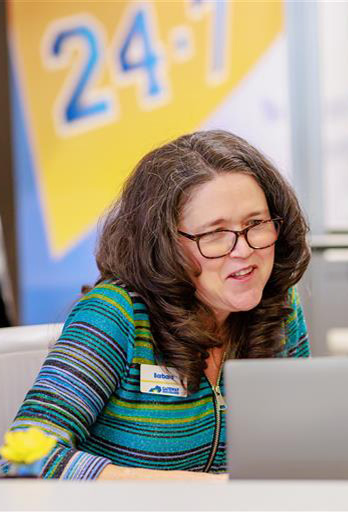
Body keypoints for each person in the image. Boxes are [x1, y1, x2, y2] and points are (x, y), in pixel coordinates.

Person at [1, 130, 311, 480]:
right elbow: (24, 458)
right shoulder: (115, 315)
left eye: (255, 224)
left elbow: (296, 444)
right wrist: (203, 490)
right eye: (214, 233)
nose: (244, 250)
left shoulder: (278, 304)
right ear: (164, 245)